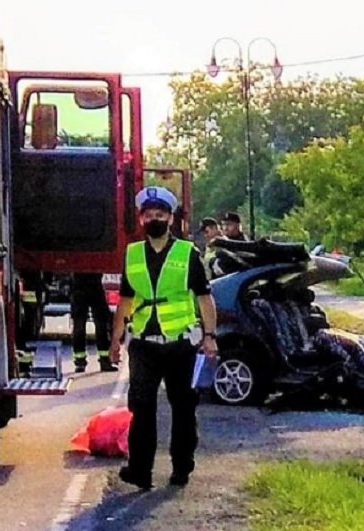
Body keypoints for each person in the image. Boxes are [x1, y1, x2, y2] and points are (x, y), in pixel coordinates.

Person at [110, 186, 217, 490]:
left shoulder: (187, 253)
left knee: (182, 407)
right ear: (141, 219)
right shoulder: (132, 254)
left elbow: (205, 299)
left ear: (171, 218)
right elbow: (126, 301)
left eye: (160, 215)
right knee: (141, 408)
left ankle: (181, 467)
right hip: (144, 345)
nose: (153, 219)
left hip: (180, 345)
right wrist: (115, 341)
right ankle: (140, 471)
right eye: (148, 215)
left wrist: (209, 336)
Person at [70, 273, 117, 373]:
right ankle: (83, 361)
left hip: (88, 285)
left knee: (99, 324)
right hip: (85, 286)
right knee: (85, 325)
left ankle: (85, 362)